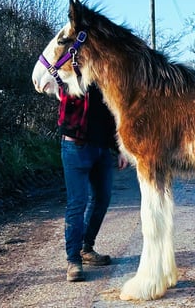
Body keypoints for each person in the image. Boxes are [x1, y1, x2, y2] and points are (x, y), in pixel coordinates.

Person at [58, 83, 128, 282]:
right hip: (75, 147)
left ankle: (86, 248)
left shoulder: (107, 78)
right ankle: (73, 260)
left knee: (103, 199)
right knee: (77, 203)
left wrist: (120, 148)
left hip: (101, 149)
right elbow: (62, 92)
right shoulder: (72, 75)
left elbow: (114, 115)